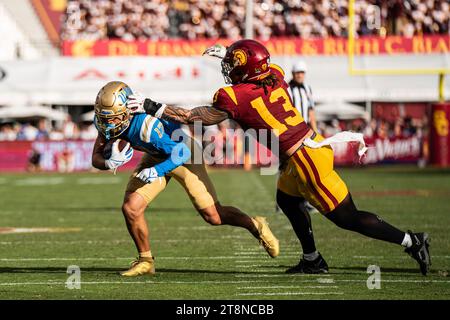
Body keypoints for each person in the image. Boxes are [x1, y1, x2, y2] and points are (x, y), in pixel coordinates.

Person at [127, 40, 431, 275]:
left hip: (305, 160)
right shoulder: (275, 75)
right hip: (303, 151)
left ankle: (412, 241)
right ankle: (312, 259)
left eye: (233, 63)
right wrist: (230, 55)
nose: (228, 68)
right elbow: (253, 71)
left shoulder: (233, 97)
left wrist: (151, 105)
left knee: (347, 217)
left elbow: (192, 115)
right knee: (287, 201)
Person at [91, 81, 279, 277]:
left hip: (185, 154)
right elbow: (95, 158)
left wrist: (156, 171)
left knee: (214, 216)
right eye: (105, 118)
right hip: (156, 155)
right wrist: (108, 163)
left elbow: (180, 153)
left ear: (127, 111)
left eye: (113, 118)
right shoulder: (107, 123)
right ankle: (146, 260)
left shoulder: (146, 126)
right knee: (131, 208)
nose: (108, 124)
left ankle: (256, 225)